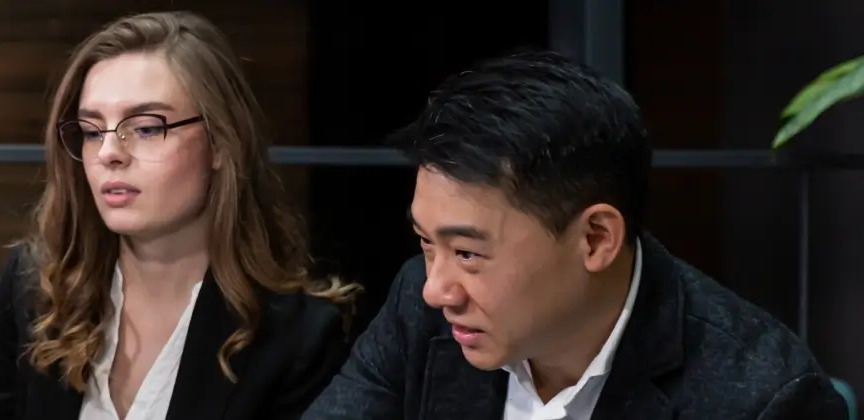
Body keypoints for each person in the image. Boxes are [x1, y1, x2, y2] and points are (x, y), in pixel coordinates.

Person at [303, 51, 846, 419]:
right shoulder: (420, 313)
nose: (435, 289)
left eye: (467, 252)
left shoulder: (763, 397)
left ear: (595, 239)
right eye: (426, 243)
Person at [0, 11, 362, 420]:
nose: (109, 153)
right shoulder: (33, 289)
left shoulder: (299, 337)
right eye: (92, 131)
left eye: (146, 128)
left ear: (221, 142)